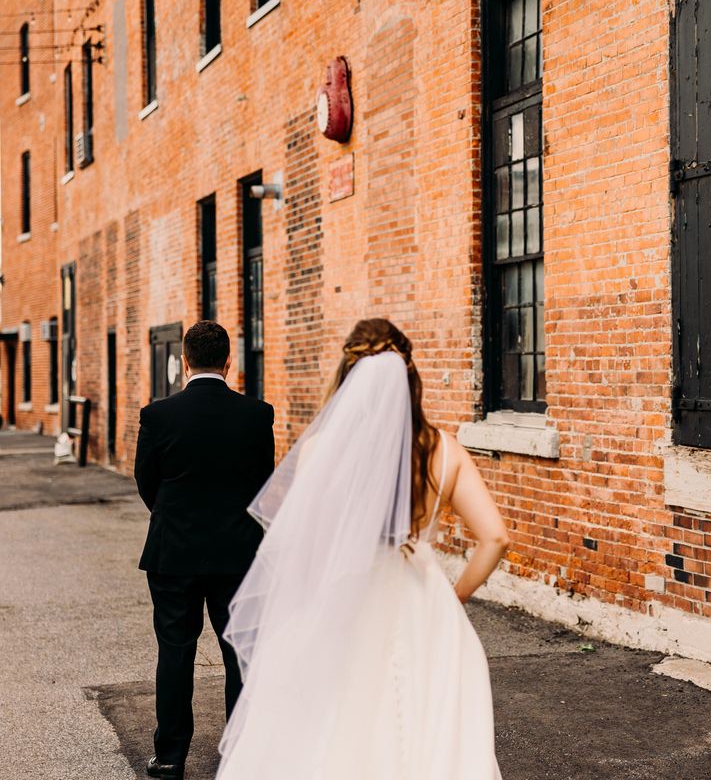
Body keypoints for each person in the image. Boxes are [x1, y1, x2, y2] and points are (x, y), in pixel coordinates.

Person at [216, 318, 510, 779]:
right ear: (410, 376)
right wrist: (455, 597)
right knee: (427, 726)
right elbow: (495, 537)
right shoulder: (443, 450)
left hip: (344, 596)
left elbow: (304, 544)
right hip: (422, 603)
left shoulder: (320, 450)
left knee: (339, 721)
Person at [134, 321, 275, 780]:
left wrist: (174, 516)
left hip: (173, 552)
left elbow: (146, 483)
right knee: (238, 652)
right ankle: (242, 751)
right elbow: (262, 485)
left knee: (175, 651)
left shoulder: (157, 416)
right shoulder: (257, 414)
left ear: (185, 362)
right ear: (229, 362)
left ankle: (171, 756)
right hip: (238, 553)